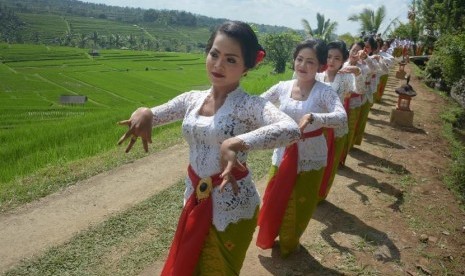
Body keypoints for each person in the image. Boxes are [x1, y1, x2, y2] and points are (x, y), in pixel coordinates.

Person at [117, 21, 301, 275]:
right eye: (214, 54)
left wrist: (238, 142)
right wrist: (143, 112)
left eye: (231, 59)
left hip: (233, 207)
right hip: (194, 198)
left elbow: (291, 129)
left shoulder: (249, 105)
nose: (218, 64)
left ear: (247, 66)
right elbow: (155, 114)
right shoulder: (192, 99)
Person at [256, 39, 347, 257]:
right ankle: (270, 234)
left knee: (301, 202)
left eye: (310, 62)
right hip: (283, 152)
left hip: (311, 155)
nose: (302, 66)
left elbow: (341, 116)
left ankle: (290, 241)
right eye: (299, 59)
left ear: (320, 67)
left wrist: (314, 117)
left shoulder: (324, 92)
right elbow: (257, 103)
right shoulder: (283, 87)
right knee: (275, 195)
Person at [315, 40, 353, 202]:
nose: (331, 61)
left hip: (334, 128)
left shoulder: (345, 78)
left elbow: (355, 91)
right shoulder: (316, 75)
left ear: (343, 60)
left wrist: (356, 72)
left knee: (329, 162)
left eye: (337, 58)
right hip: (315, 126)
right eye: (329, 56)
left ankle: (321, 194)